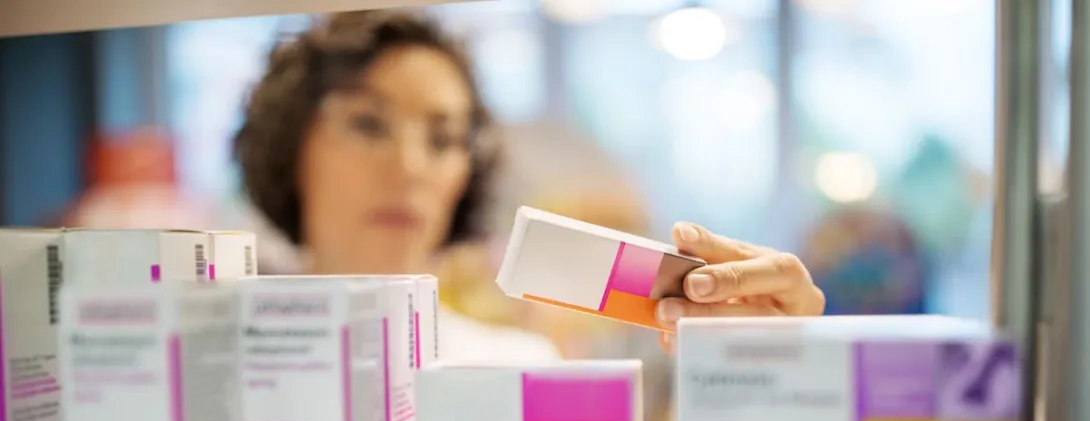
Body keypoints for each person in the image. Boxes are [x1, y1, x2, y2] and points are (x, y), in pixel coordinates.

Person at [234, 10, 824, 361]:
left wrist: (775, 375)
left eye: (443, 138)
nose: (410, 167)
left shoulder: (518, 371)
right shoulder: (213, 364)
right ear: (289, 144)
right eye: (368, 124)